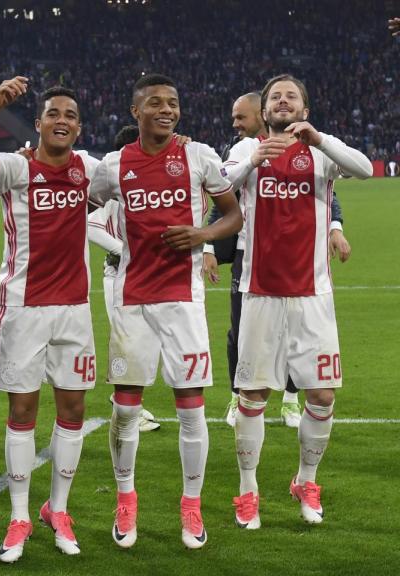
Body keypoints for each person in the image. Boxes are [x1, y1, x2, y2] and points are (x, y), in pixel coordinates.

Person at [87, 73, 242, 550]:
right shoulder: (114, 166)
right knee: (126, 409)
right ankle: (126, 498)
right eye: (154, 103)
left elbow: (234, 214)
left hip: (183, 302)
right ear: (136, 112)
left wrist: (204, 236)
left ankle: (190, 505)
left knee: (192, 409)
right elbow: (83, 207)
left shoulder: (199, 156)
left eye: (172, 102)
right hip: (132, 300)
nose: (166, 109)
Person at [0, 77, 100, 562]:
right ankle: (18, 516)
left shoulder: (90, 170)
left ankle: (57, 510)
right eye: (54, 114)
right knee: (22, 412)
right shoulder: (17, 167)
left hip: (74, 310)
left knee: (73, 412)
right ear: (38, 124)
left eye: (71, 116)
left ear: (79, 128)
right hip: (23, 308)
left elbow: (141, 166)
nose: (63, 121)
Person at [223, 74, 372, 529]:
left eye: (292, 97)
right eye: (275, 97)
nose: (282, 102)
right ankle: (247, 490)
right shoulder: (245, 151)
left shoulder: (321, 153)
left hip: (313, 296)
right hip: (261, 295)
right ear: (264, 110)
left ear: (303, 110)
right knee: (253, 395)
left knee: (322, 394)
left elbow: (364, 168)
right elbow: (217, 186)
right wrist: (253, 161)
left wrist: (321, 139)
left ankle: (306, 480)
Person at [203, 92, 349, 429]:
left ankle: (290, 398)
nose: (235, 123)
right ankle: (240, 392)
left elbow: (327, 191)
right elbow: (225, 196)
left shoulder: (306, 144)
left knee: (299, 335)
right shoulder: (243, 151)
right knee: (240, 328)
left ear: (261, 114)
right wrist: (210, 247)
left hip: (297, 259)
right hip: (249, 254)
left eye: (241, 117)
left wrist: (335, 227)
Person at [87, 125, 162, 434]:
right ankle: (129, 409)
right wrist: (128, 251)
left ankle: (131, 405)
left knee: (148, 346)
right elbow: (92, 226)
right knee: (128, 345)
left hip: (155, 277)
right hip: (119, 275)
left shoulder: (150, 185)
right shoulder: (114, 183)